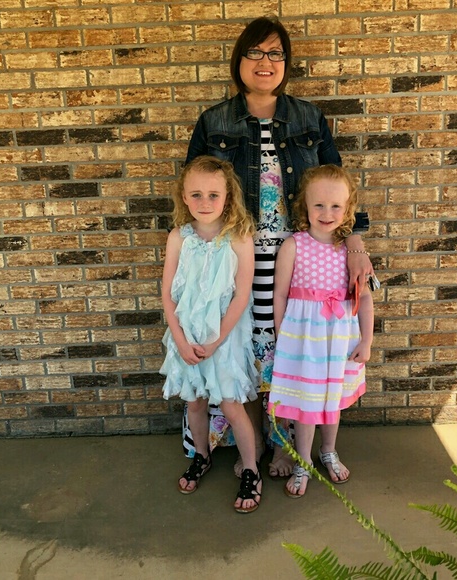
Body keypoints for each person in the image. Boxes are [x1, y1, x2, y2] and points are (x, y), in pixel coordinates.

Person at [183, 16, 374, 479]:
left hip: (299, 254)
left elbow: (338, 185)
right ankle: (250, 444)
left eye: (275, 53)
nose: (264, 62)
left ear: (286, 63)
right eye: (254, 52)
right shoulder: (214, 121)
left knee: (287, 350)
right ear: (239, 61)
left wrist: (356, 243)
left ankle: (286, 444)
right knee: (245, 348)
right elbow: (195, 192)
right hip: (236, 254)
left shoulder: (308, 117)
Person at [160, 156, 262, 514]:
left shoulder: (239, 238)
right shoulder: (179, 238)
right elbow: (167, 293)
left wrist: (216, 342)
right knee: (195, 402)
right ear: (184, 197)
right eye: (197, 195)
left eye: (213, 195)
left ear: (228, 197)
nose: (205, 202)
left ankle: (251, 470)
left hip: (224, 338)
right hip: (187, 336)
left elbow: (242, 295)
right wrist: (180, 340)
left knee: (231, 404)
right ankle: (201, 455)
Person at [268, 165, 374, 498]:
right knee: (307, 403)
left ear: (348, 209)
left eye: (335, 206)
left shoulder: (352, 253)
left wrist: (367, 340)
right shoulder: (294, 246)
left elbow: (365, 298)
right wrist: (282, 335)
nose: (327, 213)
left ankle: (328, 451)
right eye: (318, 205)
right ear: (305, 205)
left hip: (339, 340)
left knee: (332, 399)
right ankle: (303, 462)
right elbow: (280, 294)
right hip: (304, 342)